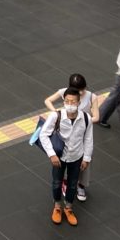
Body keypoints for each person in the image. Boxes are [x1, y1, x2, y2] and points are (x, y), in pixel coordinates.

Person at [39, 87, 93, 227]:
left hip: (77, 157)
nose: (70, 104)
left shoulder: (86, 118)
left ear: (79, 102)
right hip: (59, 157)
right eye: (67, 101)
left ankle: (68, 208)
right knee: (57, 182)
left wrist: (86, 158)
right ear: (64, 102)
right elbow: (43, 134)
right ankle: (57, 206)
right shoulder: (56, 116)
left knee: (72, 183)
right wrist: (52, 154)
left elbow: (88, 139)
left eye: (73, 101)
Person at [45, 74, 100, 202]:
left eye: (82, 89)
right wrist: (56, 113)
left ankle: (81, 185)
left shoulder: (92, 97)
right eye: (77, 90)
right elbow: (48, 100)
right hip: (66, 133)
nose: (80, 92)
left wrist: (83, 121)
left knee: (85, 160)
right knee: (63, 159)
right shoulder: (65, 93)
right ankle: (65, 183)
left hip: (82, 133)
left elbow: (96, 117)